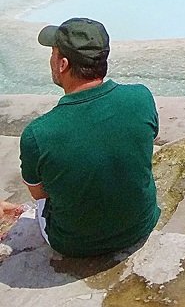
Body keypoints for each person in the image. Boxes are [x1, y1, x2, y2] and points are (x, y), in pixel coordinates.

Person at [18, 18, 160, 258]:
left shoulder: (38, 133)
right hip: (140, 225)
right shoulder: (141, 97)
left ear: (62, 64)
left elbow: (39, 194)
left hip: (74, 244)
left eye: (53, 53)